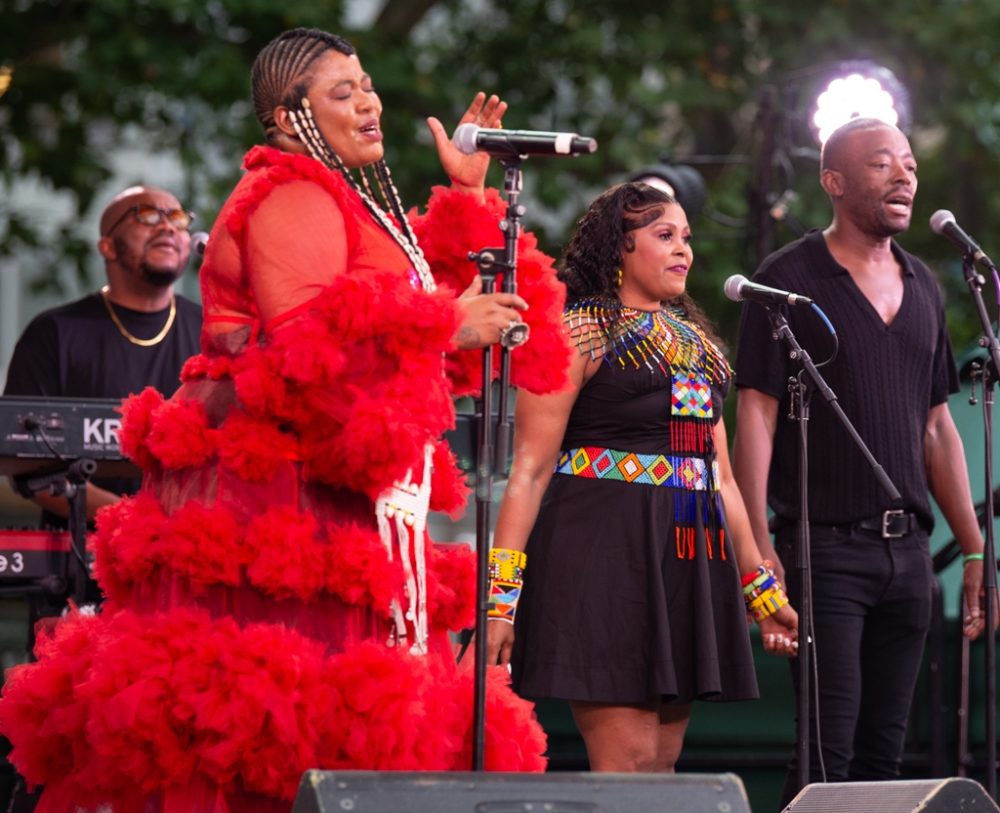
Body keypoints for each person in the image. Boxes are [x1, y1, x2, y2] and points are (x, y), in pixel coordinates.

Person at [0, 27, 570, 811]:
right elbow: (307, 344)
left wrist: (469, 197)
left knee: (363, 727)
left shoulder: (347, 199)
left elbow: (424, 325)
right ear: (285, 115)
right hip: (282, 503)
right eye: (343, 91)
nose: (369, 99)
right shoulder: (289, 193)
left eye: (368, 85)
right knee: (285, 731)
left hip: (355, 506)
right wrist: (444, 321)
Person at [486, 182, 798, 774]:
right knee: (624, 760)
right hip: (604, 552)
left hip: (684, 554)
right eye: (664, 236)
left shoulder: (697, 346)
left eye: (686, 237)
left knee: (660, 764)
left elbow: (718, 478)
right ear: (620, 248)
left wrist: (761, 589)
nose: (684, 249)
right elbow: (527, 470)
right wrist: (500, 601)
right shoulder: (579, 331)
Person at [732, 117, 991, 806]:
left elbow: (937, 427)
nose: (905, 175)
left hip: (907, 555)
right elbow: (755, 415)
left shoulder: (926, 285)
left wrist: (972, 549)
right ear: (835, 182)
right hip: (825, 549)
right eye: (884, 164)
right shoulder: (786, 279)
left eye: (909, 162)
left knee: (888, 756)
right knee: (826, 754)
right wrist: (759, 544)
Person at [4, 184, 203, 526]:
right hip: (83, 563)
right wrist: (138, 521)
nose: (168, 227)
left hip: (196, 555)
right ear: (108, 246)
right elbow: (29, 466)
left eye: (177, 218)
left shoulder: (213, 333)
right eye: (148, 215)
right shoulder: (54, 333)